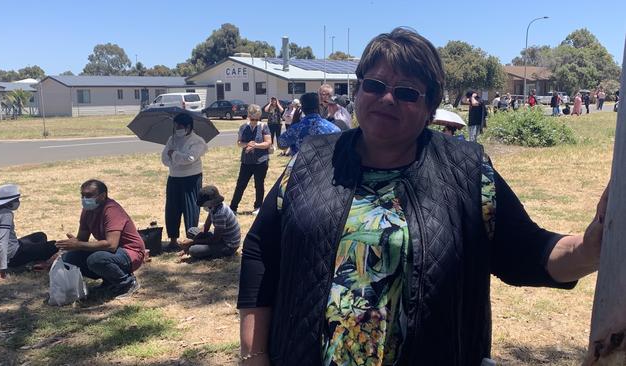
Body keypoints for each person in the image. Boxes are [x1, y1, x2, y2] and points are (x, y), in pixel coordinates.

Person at [237, 27, 609, 365]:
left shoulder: (466, 170)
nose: (387, 99)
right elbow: (261, 251)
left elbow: (529, 252)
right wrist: (255, 354)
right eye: (375, 85)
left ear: (431, 108)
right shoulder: (313, 159)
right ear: (359, 88)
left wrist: (591, 247)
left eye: (406, 92)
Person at [58, 180, 144, 298]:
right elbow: (82, 239)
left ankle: (127, 283)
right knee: (69, 258)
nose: (84, 199)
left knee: (96, 259)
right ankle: (109, 280)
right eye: (82, 195)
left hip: (131, 252)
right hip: (111, 252)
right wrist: (68, 247)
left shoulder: (112, 210)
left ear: (103, 196)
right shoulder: (87, 211)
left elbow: (111, 245)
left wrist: (78, 245)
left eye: (88, 196)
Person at [0, 184, 58, 280]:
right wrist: (2, 269)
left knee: (40, 236)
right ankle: (29, 263)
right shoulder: (6, 215)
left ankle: (34, 257)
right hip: (12, 257)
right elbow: (1, 242)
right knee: (54, 245)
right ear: (9, 202)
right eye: (16, 200)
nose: (18, 202)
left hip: (6, 251)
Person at [161, 113, 208, 251]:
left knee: (191, 208)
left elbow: (190, 158)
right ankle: (173, 240)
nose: (177, 129)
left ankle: (191, 240)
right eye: (175, 126)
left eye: (180, 126)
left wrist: (174, 154)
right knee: (172, 209)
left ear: (188, 126)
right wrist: (175, 157)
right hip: (174, 177)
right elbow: (164, 157)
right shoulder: (172, 138)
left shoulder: (197, 141)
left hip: (191, 178)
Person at [230, 105, 272, 216]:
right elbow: (239, 143)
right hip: (246, 161)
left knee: (259, 184)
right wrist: (246, 144)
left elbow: (268, 143)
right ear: (248, 116)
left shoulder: (264, 126)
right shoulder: (243, 127)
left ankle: (258, 206)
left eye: (257, 119)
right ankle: (233, 207)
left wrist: (255, 145)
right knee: (241, 184)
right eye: (252, 119)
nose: (254, 121)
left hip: (261, 161)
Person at [178, 185, 241, 260]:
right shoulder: (214, 206)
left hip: (228, 245)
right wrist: (196, 239)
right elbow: (206, 226)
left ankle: (215, 254)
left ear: (209, 202)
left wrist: (193, 242)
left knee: (193, 250)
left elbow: (215, 239)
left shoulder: (220, 214)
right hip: (221, 237)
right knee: (192, 231)